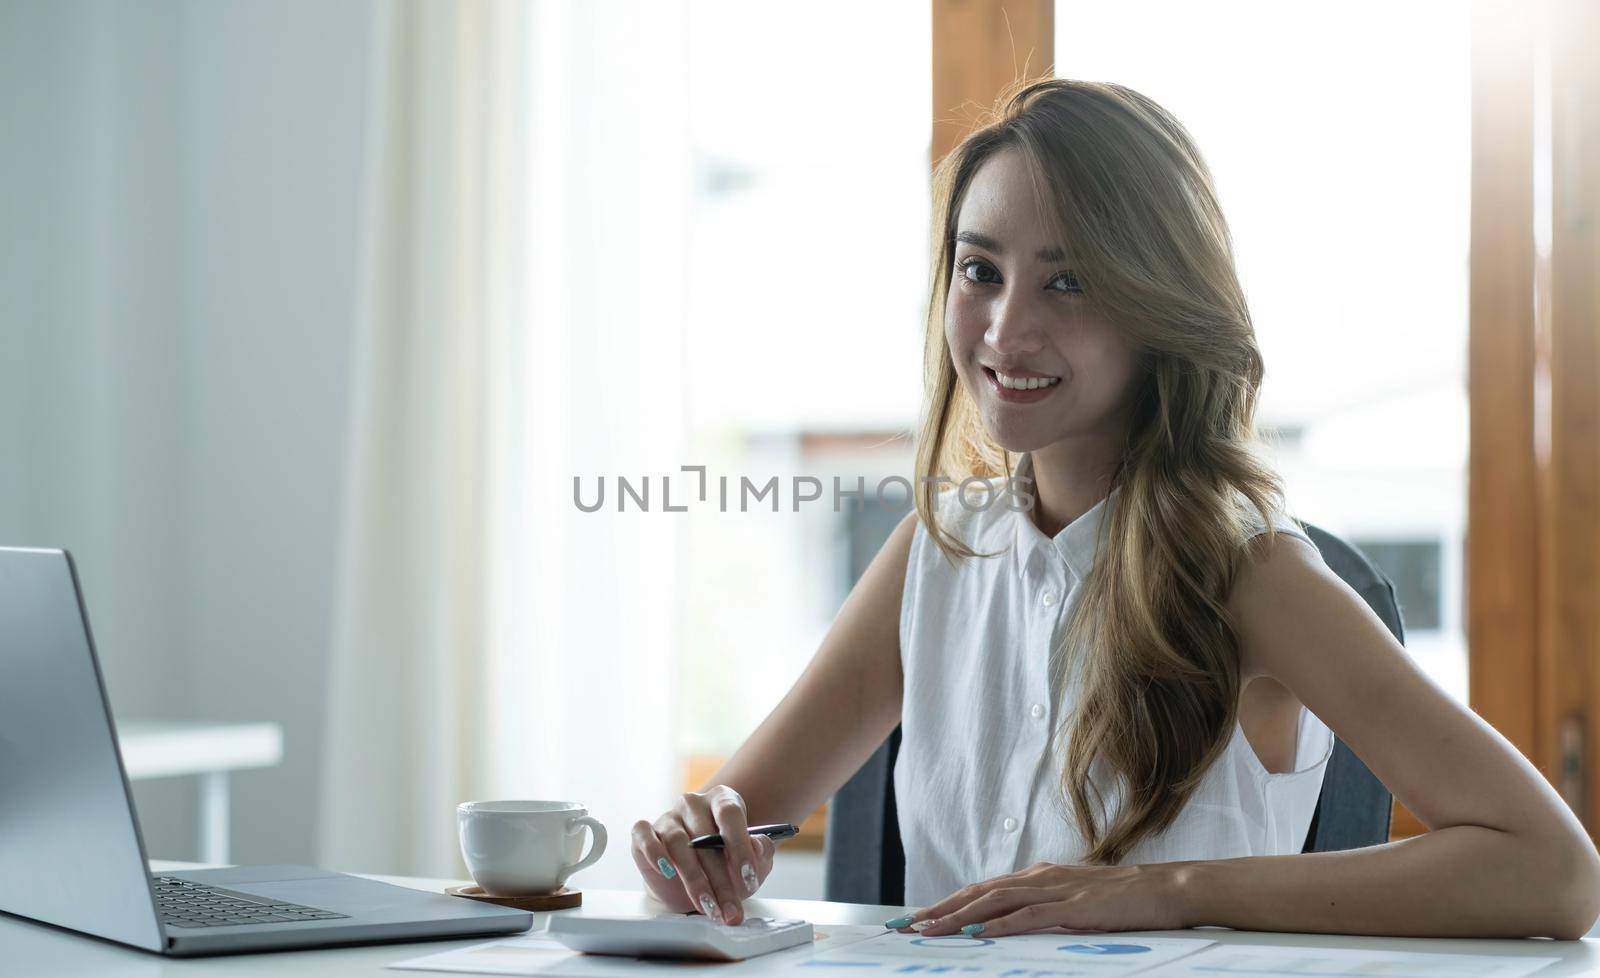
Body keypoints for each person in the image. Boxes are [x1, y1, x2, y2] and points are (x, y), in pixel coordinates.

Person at [629, 78, 1600, 940]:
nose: (1007, 329)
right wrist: (694, 843)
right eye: (980, 271)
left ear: (1158, 303)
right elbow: (732, 824)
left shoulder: (1251, 573)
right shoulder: (935, 551)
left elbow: (1551, 871)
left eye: (1068, 280)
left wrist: (1165, 889)